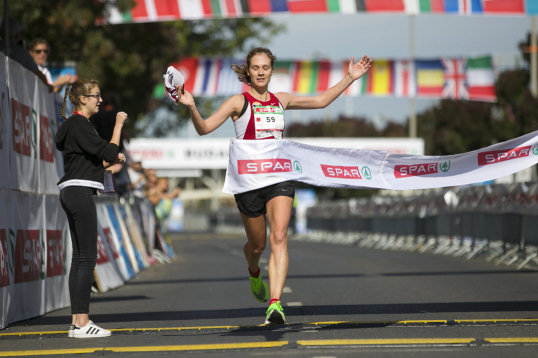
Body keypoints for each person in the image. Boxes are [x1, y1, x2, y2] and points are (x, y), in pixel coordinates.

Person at [175, 47, 372, 325]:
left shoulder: (282, 100)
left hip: (279, 176)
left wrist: (349, 78)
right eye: (255, 67)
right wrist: (192, 106)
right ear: (248, 70)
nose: (260, 72)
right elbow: (204, 128)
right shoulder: (237, 102)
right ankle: (253, 270)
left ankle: (275, 304)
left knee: (279, 237)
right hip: (248, 182)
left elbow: (321, 101)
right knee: (257, 246)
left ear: (271, 70)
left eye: (265, 67)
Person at [55, 79, 128, 338]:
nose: (100, 99)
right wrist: (118, 125)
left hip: (73, 190)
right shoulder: (79, 124)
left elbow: (89, 159)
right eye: (96, 95)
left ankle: (77, 323)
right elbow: (109, 150)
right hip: (78, 192)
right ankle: (83, 322)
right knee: (86, 258)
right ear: (82, 99)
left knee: (80, 258)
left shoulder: (76, 126)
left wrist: (106, 165)